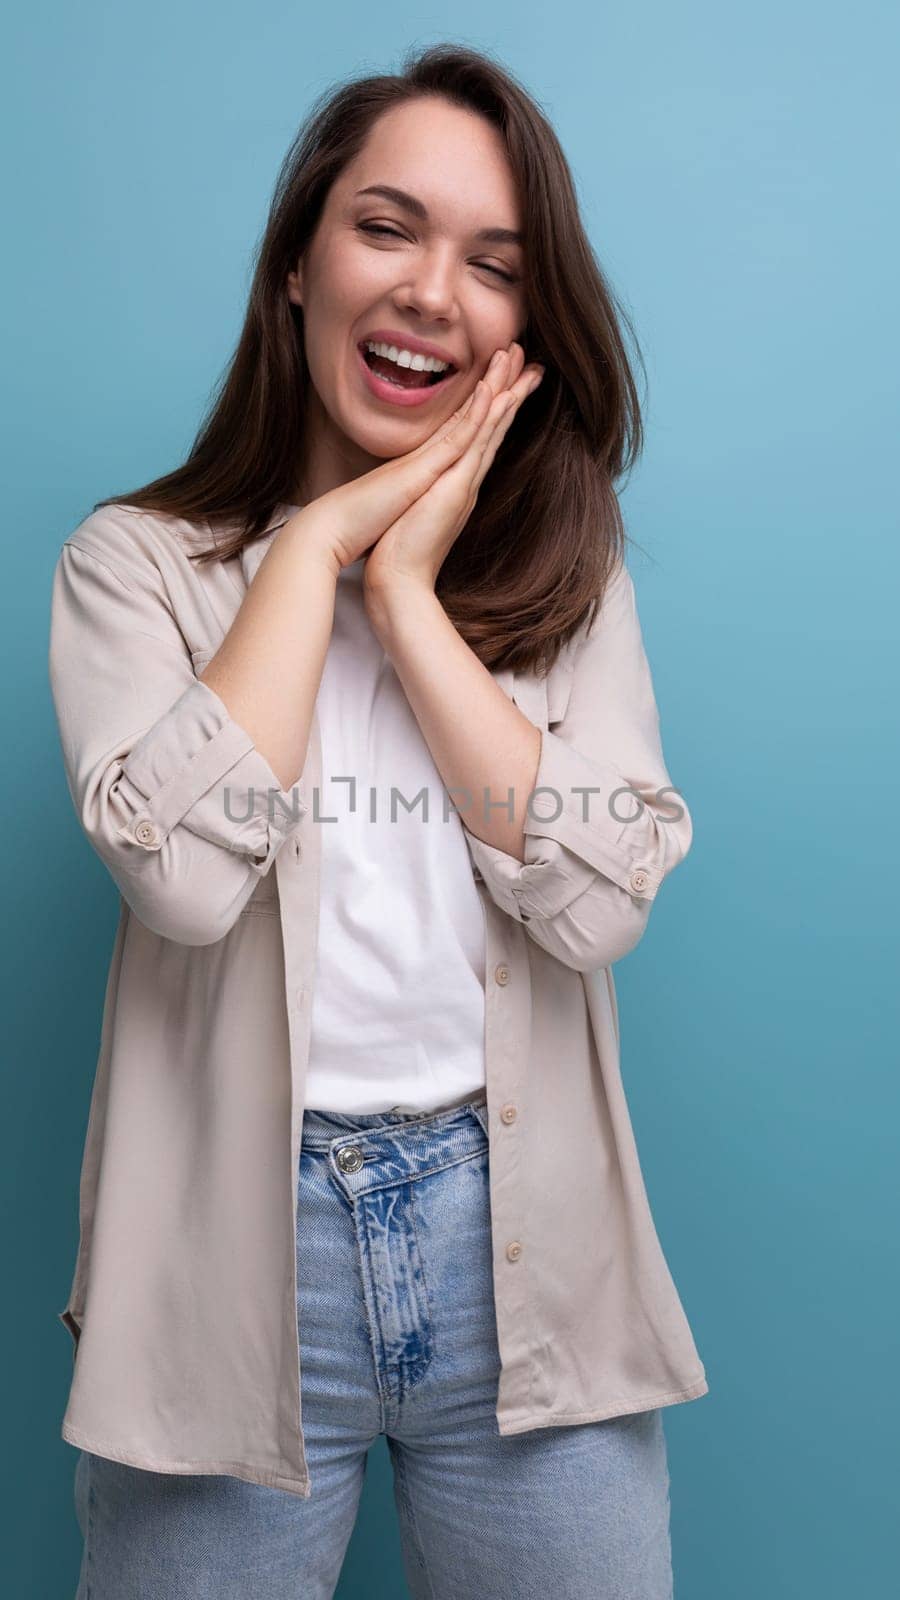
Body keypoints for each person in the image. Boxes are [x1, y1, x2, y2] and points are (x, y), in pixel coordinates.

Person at [49, 42, 708, 1600]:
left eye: (494, 264)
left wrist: (407, 592)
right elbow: (184, 884)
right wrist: (315, 546)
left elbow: (598, 906)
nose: (433, 291)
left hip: (527, 1257)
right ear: (299, 263)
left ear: (525, 331)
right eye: (387, 228)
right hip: (228, 1267)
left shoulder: (569, 584)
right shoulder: (134, 568)